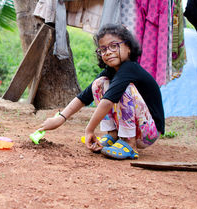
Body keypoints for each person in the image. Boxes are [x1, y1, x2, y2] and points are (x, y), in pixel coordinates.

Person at [38, 24, 165, 159]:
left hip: (149, 132)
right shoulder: (110, 72)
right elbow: (84, 97)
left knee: (124, 89)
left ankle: (129, 142)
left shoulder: (130, 68)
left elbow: (108, 101)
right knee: (98, 84)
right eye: (103, 49)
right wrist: (59, 118)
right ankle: (113, 135)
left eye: (114, 46)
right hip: (139, 127)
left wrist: (89, 130)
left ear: (128, 48)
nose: (108, 52)